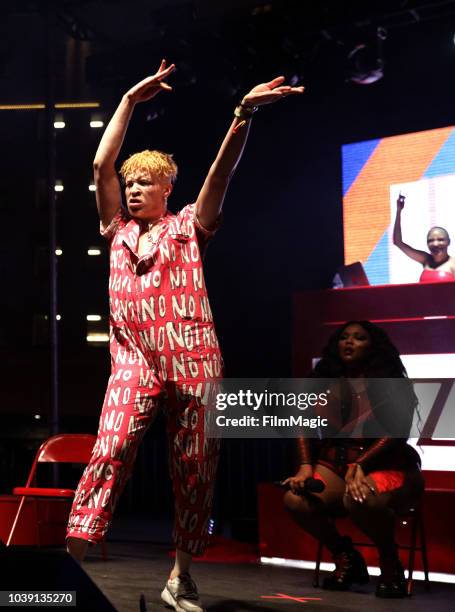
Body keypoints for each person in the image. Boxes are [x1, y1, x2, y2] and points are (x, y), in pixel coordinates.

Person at [65, 59, 304, 612]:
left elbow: (221, 175)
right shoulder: (117, 232)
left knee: (194, 467)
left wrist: (242, 114)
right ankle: (67, 571)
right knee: (111, 449)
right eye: (130, 183)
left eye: (144, 181)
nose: (132, 189)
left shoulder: (188, 226)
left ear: (168, 186)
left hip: (194, 359)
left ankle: (181, 576)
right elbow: (101, 164)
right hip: (134, 361)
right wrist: (128, 98)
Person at [283, 321, 424, 598]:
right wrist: (305, 466)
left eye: (359, 338)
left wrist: (362, 465)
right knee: (295, 499)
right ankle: (347, 557)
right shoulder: (323, 381)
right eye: (344, 337)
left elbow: (396, 434)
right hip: (337, 464)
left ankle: (390, 564)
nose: (349, 342)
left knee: (358, 498)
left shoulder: (391, 383)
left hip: (389, 464)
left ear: (374, 346)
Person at [393, 193, 455, 282]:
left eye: (440, 240)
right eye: (431, 241)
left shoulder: (453, 263)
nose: (435, 244)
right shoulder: (426, 260)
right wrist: (398, 211)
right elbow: (398, 242)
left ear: (449, 242)